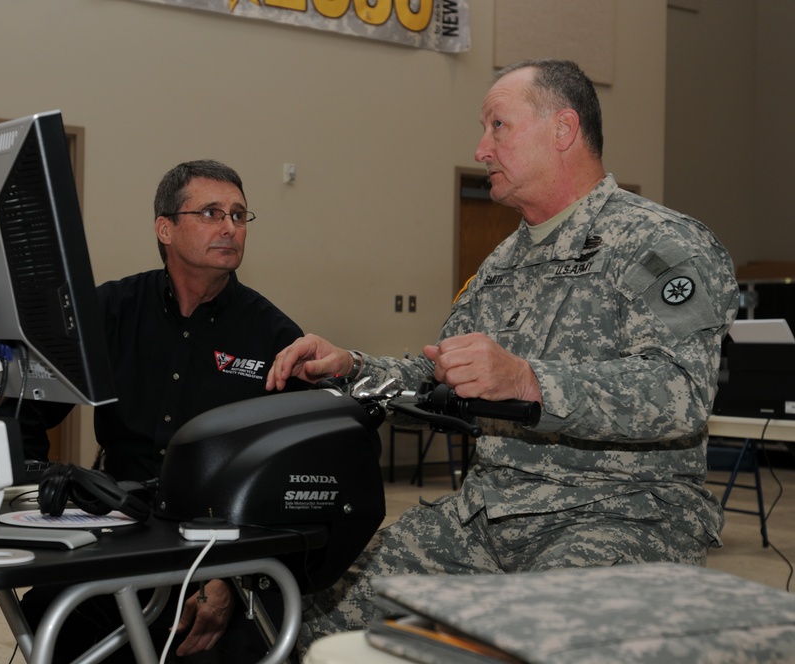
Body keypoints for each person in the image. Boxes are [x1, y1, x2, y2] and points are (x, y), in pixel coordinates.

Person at [266, 59, 739, 649]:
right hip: (489, 515)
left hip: (619, 514)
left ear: (562, 130)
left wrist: (526, 380)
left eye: (498, 126)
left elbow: (680, 395)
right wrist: (354, 367)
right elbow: (442, 371)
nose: (481, 148)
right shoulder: (505, 262)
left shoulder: (661, 244)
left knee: (530, 641)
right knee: (310, 617)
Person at [12, 159, 306, 662]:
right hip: (120, 532)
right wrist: (29, 501)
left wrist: (232, 578)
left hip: (220, 548)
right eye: (212, 213)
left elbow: (296, 475)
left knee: (226, 646)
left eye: (239, 215)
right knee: (47, 615)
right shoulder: (109, 311)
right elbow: (25, 411)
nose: (230, 228)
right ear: (164, 228)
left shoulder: (275, 337)